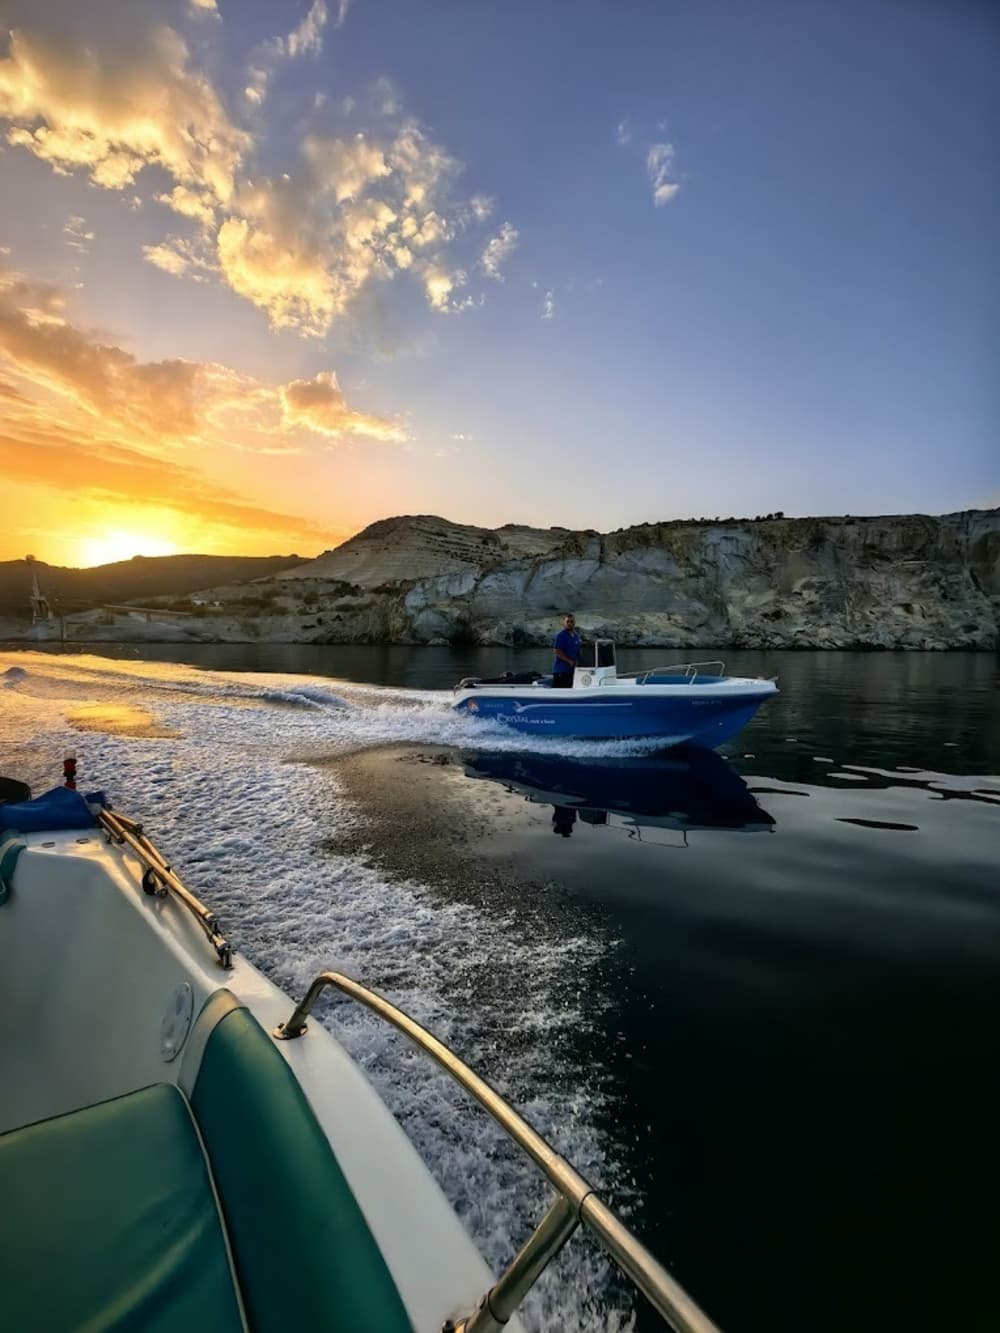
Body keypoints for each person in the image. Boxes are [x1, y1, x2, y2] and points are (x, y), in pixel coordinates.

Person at [551, 613, 580, 688]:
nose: (569, 624)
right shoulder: (561, 636)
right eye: (567, 622)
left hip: (572, 671)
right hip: (561, 671)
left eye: (571, 622)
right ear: (564, 623)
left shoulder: (576, 636)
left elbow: (577, 650)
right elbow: (556, 650)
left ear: (574, 623)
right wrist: (569, 660)